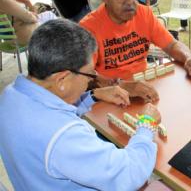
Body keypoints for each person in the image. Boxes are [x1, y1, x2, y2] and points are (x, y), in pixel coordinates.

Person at [0, 19, 162, 190]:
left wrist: (93, 95)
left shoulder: (10, 95)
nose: (91, 80)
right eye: (89, 75)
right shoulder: (64, 136)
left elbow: (51, 106)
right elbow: (129, 174)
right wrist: (147, 125)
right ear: (62, 79)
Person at [80, 0, 191, 84]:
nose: (130, 2)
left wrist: (189, 58)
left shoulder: (144, 13)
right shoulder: (88, 27)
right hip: (111, 95)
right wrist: (123, 86)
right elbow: (85, 75)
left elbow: (171, 45)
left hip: (145, 84)